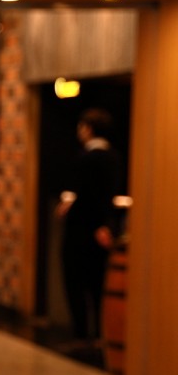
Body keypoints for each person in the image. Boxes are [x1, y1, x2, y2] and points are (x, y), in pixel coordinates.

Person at [55, 108, 124, 343]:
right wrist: (106, 224)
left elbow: (86, 196)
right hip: (102, 230)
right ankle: (100, 335)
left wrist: (70, 205)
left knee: (75, 282)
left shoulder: (86, 158)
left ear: (87, 129)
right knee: (97, 283)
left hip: (80, 229)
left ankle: (81, 334)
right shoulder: (114, 157)